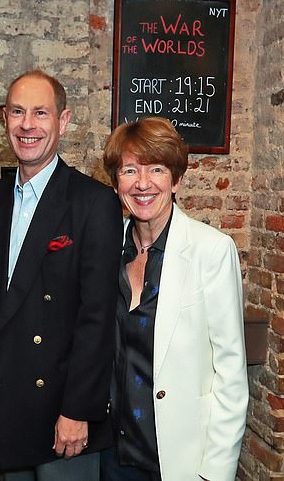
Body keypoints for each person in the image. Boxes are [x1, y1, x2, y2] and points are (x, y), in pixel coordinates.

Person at [0, 70, 123, 480]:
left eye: (41, 112)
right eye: (17, 112)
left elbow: (98, 317)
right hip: (2, 408)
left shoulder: (94, 202)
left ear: (63, 120)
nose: (27, 125)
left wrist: (79, 409)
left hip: (63, 416)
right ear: (5, 121)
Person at [99, 117, 248, 481]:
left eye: (157, 169)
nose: (143, 183)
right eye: (129, 170)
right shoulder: (103, 246)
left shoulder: (211, 251)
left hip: (178, 458)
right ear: (116, 182)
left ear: (176, 180)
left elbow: (230, 373)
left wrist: (215, 472)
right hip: (109, 454)